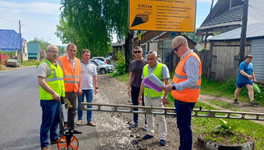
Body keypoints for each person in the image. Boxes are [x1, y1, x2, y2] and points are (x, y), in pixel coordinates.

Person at [162, 36, 202, 150]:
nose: (175, 52)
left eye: (176, 49)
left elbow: (192, 81)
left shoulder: (191, 59)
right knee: (182, 127)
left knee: (185, 128)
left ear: (184, 44)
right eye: (174, 50)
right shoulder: (185, 58)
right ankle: (182, 147)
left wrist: (174, 87)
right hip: (181, 99)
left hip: (186, 100)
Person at [138, 50, 169, 146]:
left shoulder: (162, 67)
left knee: (160, 117)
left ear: (156, 58)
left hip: (157, 97)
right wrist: (140, 95)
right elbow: (143, 82)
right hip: (147, 96)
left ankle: (162, 137)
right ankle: (150, 132)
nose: (149, 61)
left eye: (151, 59)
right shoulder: (145, 67)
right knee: (148, 115)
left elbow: (167, 83)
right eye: (148, 59)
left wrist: (165, 97)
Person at [38, 45, 65, 150]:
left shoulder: (57, 65)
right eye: (53, 51)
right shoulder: (44, 65)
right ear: (47, 52)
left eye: (57, 52)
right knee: (47, 122)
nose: (55, 54)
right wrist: (53, 93)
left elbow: (59, 82)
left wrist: (62, 95)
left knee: (56, 120)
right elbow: (41, 81)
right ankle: (44, 144)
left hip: (58, 98)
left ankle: (54, 138)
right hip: (48, 99)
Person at [58, 43, 82, 134]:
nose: (73, 52)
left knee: (73, 110)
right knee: (62, 111)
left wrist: (79, 88)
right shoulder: (61, 60)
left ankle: (71, 128)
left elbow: (79, 76)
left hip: (74, 90)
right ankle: (62, 130)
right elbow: (58, 77)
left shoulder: (78, 61)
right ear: (67, 51)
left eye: (75, 50)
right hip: (64, 91)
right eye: (71, 50)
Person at [76, 49, 98, 127]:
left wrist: (96, 87)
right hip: (80, 88)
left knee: (90, 104)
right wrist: (77, 87)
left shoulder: (93, 65)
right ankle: (79, 119)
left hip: (89, 88)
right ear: (82, 55)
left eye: (89, 55)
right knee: (80, 105)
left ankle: (89, 120)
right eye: (86, 55)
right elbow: (76, 76)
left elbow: (95, 77)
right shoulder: (78, 64)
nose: (88, 57)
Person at [127, 46, 147, 130]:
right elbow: (131, 76)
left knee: (145, 105)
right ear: (133, 54)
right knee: (135, 105)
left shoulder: (146, 62)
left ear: (142, 52)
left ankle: (147, 123)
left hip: (144, 87)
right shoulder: (132, 63)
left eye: (139, 51)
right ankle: (135, 121)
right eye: (136, 52)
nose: (137, 53)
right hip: (134, 86)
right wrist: (128, 88)